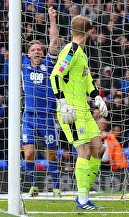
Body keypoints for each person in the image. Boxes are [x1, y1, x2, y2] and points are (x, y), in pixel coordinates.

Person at [50, 14, 108, 210]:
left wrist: (97, 96)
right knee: (83, 152)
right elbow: (55, 75)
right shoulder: (71, 50)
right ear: (89, 31)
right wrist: (63, 102)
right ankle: (82, 200)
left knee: (98, 149)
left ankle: (83, 195)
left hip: (84, 109)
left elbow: (88, 81)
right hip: (71, 111)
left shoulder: (81, 52)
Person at [20, 7, 61, 198]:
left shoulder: (49, 65)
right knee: (28, 154)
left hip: (46, 117)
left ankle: (57, 187)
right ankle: (33, 186)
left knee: (51, 155)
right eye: (33, 49)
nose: (36, 51)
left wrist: (52, 19)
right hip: (28, 117)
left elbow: (54, 41)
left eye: (39, 49)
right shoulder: (23, 64)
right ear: (28, 54)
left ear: (43, 53)